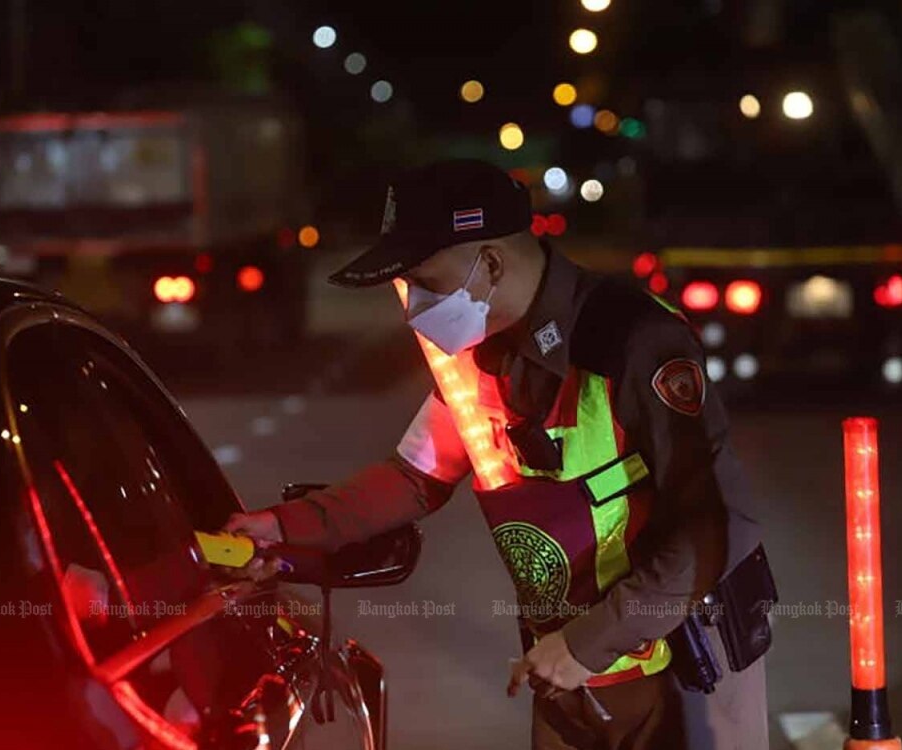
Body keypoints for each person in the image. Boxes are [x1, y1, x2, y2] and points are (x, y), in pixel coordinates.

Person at [225, 159, 770, 749]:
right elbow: (414, 479)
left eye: (424, 282)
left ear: (489, 264)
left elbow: (716, 525)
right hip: (567, 675)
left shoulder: (634, 341)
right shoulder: (476, 354)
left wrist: (590, 642)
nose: (412, 308)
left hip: (679, 667)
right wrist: (284, 527)